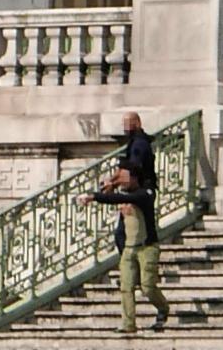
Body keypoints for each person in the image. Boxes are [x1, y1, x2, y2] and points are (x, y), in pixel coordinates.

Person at [78, 159, 170, 334]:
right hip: (129, 248)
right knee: (126, 287)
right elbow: (119, 214)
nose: (121, 181)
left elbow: (126, 198)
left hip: (147, 247)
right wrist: (108, 186)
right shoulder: (123, 195)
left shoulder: (146, 193)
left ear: (134, 178)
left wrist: (94, 197)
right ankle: (128, 324)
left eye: (124, 177)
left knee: (147, 286)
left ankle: (163, 307)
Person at [106, 112, 157, 254]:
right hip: (136, 193)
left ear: (138, 123)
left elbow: (132, 170)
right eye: (124, 124)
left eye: (128, 123)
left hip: (140, 193)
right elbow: (125, 166)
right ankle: (130, 266)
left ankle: (133, 266)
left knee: (127, 234)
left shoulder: (139, 144)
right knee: (125, 234)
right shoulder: (134, 142)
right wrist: (111, 180)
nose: (125, 127)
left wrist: (113, 184)